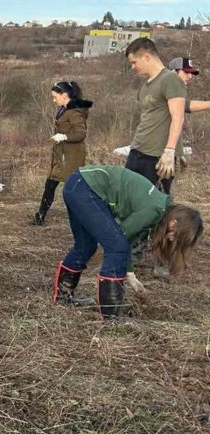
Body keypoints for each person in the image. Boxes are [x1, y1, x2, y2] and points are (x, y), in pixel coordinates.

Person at [54, 165, 202, 319]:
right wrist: (125, 267)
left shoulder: (160, 210)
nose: (172, 238)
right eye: (176, 235)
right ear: (174, 221)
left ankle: (64, 299)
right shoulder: (154, 210)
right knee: (116, 246)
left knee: (86, 246)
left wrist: (130, 273)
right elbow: (120, 237)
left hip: (77, 184)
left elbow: (126, 238)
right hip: (85, 188)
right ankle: (111, 315)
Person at [124, 38, 186, 194]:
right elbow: (149, 117)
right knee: (129, 197)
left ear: (146, 57)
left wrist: (171, 151)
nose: (133, 67)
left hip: (156, 157)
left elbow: (178, 116)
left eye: (134, 62)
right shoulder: (145, 85)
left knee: (155, 205)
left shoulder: (170, 79)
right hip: (138, 151)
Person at [30, 81, 93, 226]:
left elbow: (81, 134)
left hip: (71, 156)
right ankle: (40, 216)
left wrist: (64, 136)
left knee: (74, 188)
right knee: (50, 185)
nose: (53, 100)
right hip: (61, 154)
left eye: (55, 97)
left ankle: (88, 217)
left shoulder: (74, 111)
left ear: (64, 95)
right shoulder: (64, 109)